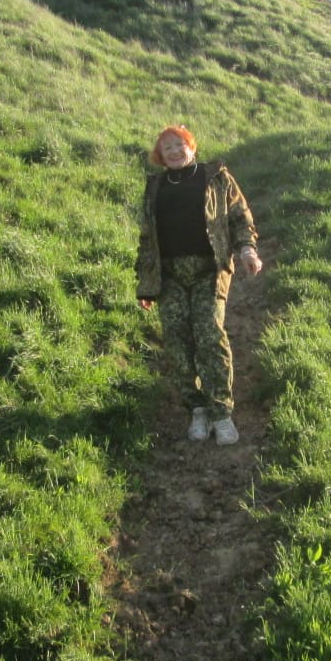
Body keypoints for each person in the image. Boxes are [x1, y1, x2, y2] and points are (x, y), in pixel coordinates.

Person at [136, 125, 263, 445]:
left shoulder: (215, 177)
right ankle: (197, 409)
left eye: (179, 145)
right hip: (170, 276)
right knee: (177, 341)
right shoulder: (155, 186)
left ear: (192, 147)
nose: (174, 151)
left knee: (209, 335)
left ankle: (221, 412)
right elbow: (147, 237)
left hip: (209, 270)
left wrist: (247, 249)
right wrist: (146, 283)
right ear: (160, 156)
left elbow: (239, 216)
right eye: (167, 148)